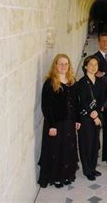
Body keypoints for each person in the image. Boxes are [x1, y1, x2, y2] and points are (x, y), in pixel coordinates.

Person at [38, 54, 80, 188]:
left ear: (69, 66)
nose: (63, 66)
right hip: (55, 124)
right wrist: (51, 125)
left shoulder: (72, 81)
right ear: (55, 65)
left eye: (66, 64)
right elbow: (46, 106)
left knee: (68, 149)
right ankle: (56, 177)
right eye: (60, 63)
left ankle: (67, 175)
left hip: (69, 122)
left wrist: (77, 119)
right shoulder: (50, 82)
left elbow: (76, 103)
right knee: (56, 150)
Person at [77, 56, 106, 181]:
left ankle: (93, 167)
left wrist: (97, 114)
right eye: (91, 64)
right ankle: (87, 170)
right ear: (85, 67)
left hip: (97, 117)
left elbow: (102, 100)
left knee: (95, 144)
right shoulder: (81, 83)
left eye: (96, 64)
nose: (93, 67)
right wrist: (92, 114)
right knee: (86, 144)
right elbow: (82, 101)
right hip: (85, 118)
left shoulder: (100, 82)